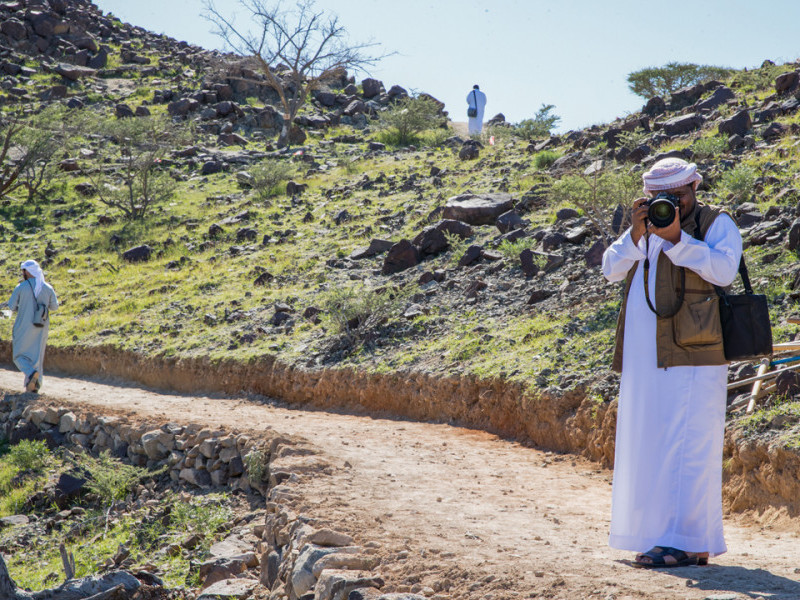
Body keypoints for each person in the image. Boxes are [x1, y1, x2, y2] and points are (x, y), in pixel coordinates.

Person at [601, 157, 742, 568]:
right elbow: (610, 269)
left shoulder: (716, 222)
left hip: (696, 352)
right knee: (653, 440)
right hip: (647, 357)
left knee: (690, 444)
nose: (671, 204)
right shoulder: (645, 227)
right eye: (660, 197)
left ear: (695, 186)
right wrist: (634, 233)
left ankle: (688, 541)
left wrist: (679, 239)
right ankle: (663, 537)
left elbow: (724, 270)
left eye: (678, 196)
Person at [6, 259, 58, 393]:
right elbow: (54, 307)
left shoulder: (21, 287)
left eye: (23, 270)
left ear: (27, 271)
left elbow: (11, 306)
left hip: (23, 326)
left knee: (18, 356)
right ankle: (34, 386)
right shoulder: (47, 287)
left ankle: (30, 374)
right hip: (42, 325)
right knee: (37, 357)